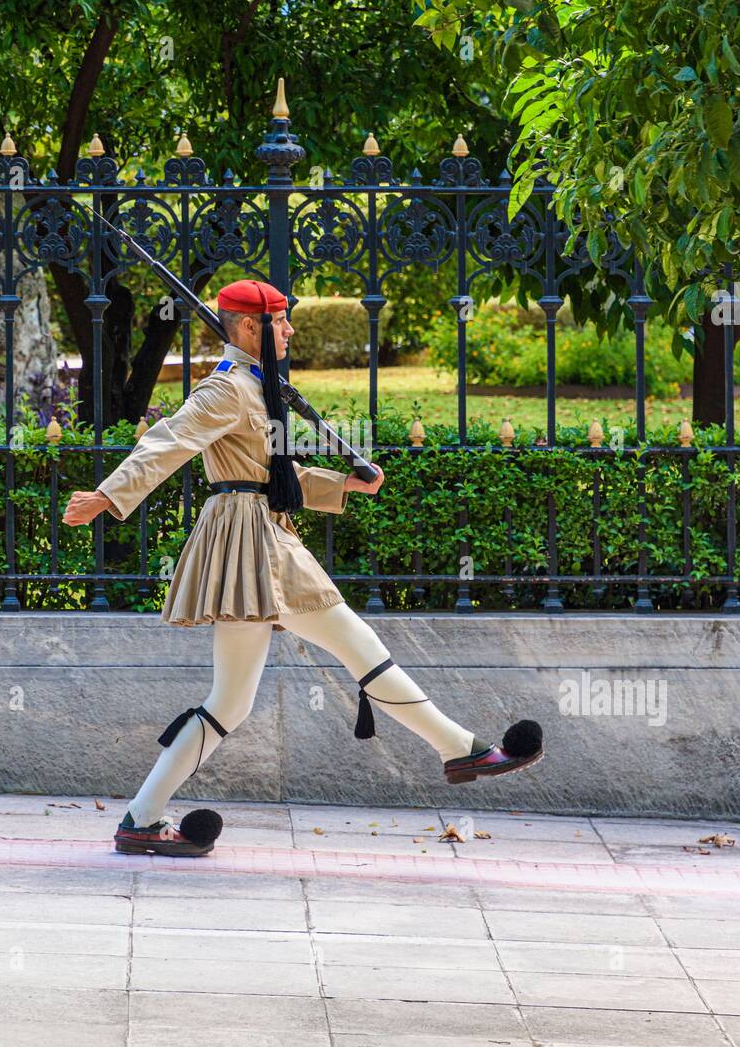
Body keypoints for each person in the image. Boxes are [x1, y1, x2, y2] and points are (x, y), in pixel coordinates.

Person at [63, 279, 543, 856]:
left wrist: (342, 485)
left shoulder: (257, 387)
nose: (289, 330)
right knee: (355, 640)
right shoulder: (226, 389)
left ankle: (141, 819)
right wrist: (107, 496)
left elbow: (271, 476)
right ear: (249, 327)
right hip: (255, 540)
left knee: (229, 703)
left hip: (254, 530)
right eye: (282, 321)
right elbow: (166, 442)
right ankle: (459, 748)